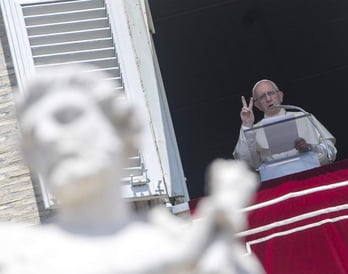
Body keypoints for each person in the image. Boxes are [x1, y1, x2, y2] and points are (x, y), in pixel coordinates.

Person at [0, 64, 265, 274]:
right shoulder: (13, 255)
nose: (47, 136)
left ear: (120, 131)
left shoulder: (189, 249)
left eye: (67, 117)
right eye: (33, 134)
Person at [233, 79, 337, 176]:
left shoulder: (303, 116)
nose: (268, 99)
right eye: (262, 97)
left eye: (271, 93)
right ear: (257, 105)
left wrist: (310, 148)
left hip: (310, 176)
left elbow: (330, 151)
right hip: (276, 184)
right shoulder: (253, 130)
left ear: (280, 96)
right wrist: (247, 125)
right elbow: (246, 164)